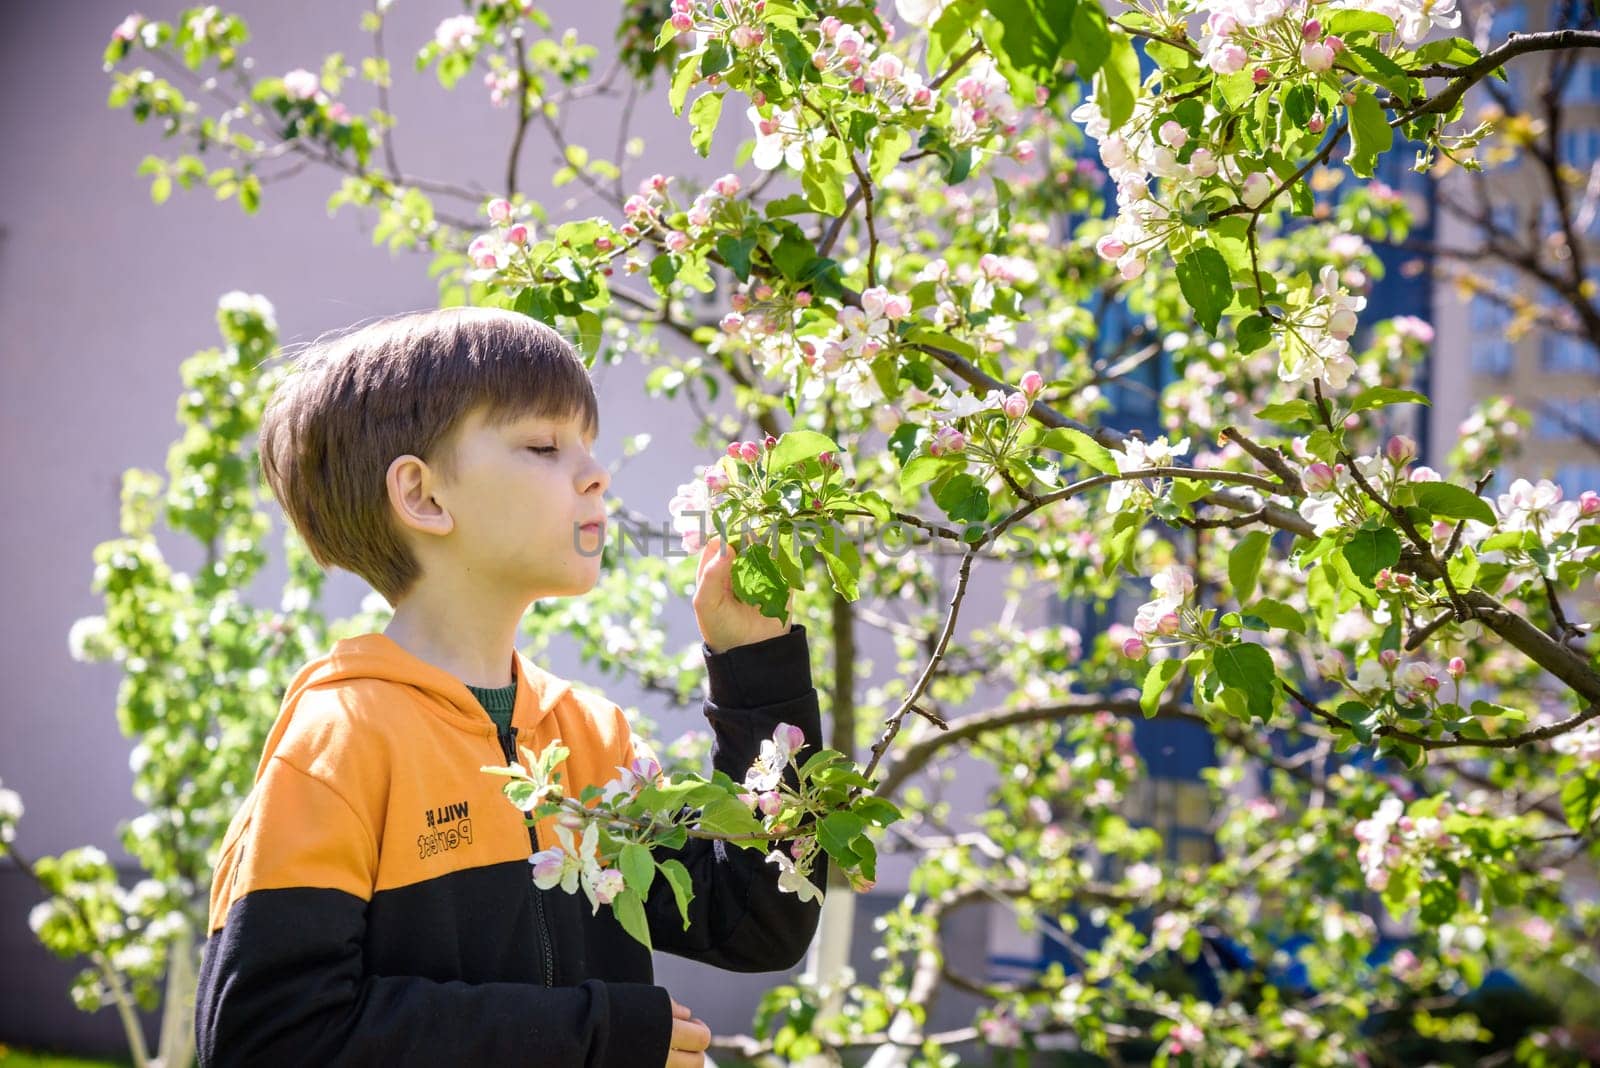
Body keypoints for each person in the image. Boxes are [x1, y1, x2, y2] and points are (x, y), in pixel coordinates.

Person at [195, 306, 828, 1066]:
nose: (595, 472)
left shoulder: (591, 737)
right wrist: (597, 1040)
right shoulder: (339, 742)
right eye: (543, 445)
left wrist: (754, 661)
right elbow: (267, 1040)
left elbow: (757, 917)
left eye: (587, 444)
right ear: (424, 497)